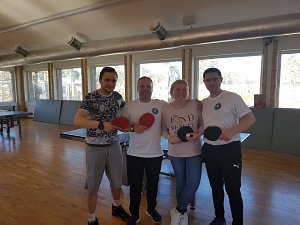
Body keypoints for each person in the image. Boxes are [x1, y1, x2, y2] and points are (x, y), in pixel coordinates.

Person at [74, 66, 130, 225]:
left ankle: (116, 206)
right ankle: (91, 218)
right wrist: (101, 125)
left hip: (114, 145)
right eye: (107, 80)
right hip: (94, 148)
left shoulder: (118, 97)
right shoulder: (91, 97)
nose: (110, 84)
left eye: (113, 80)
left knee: (117, 181)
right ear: (100, 80)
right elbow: (77, 120)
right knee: (93, 186)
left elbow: (127, 114)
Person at [201, 67, 256, 225]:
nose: (212, 82)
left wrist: (231, 132)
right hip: (210, 150)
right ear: (204, 82)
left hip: (229, 150)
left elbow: (250, 119)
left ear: (221, 79)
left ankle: (237, 222)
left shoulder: (233, 98)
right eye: (208, 80)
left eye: (215, 79)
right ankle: (219, 218)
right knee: (215, 187)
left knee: (232, 189)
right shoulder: (203, 103)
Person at [122, 76, 166, 225]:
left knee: (153, 185)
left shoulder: (161, 105)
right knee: (135, 186)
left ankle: (151, 209)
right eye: (142, 86)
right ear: (137, 88)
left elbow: (177, 109)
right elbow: (123, 126)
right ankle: (134, 214)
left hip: (155, 154)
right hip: (134, 153)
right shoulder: (129, 106)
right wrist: (134, 127)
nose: (145, 89)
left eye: (148, 86)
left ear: (152, 88)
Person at [161, 79, 203, 225]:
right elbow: (163, 129)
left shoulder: (196, 105)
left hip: (194, 150)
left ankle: (177, 210)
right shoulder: (165, 108)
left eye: (184, 89)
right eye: (177, 89)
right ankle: (183, 213)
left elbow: (202, 125)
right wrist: (169, 137)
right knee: (180, 182)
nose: (181, 92)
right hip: (175, 152)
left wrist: (198, 135)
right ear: (171, 91)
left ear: (188, 92)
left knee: (193, 183)